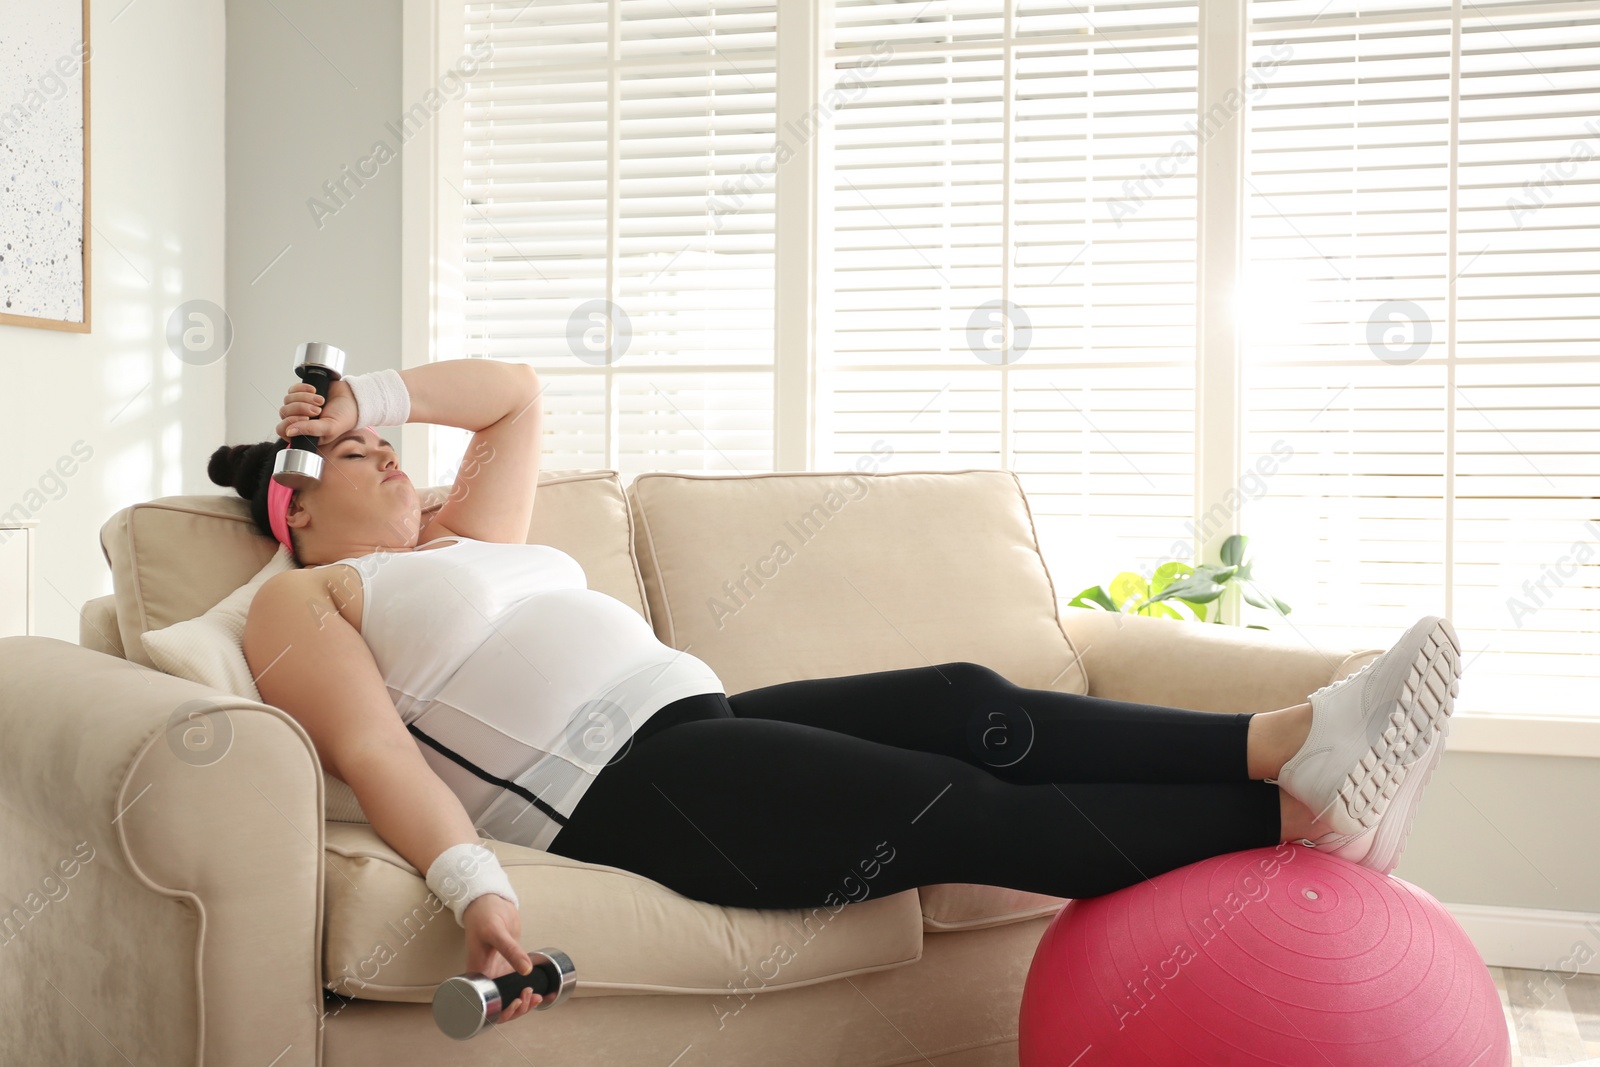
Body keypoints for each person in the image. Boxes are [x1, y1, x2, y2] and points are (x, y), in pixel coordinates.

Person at [219, 359, 1461, 1028]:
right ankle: (1302, 821)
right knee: (956, 805)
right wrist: (477, 887)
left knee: (969, 695)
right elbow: (380, 756)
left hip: (705, 717)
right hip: (627, 792)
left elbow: (513, 394)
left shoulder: (458, 539)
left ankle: (1289, 738)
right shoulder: (303, 598)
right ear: (294, 508)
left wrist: (363, 391)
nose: (385, 452)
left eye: (382, 439)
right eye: (346, 453)